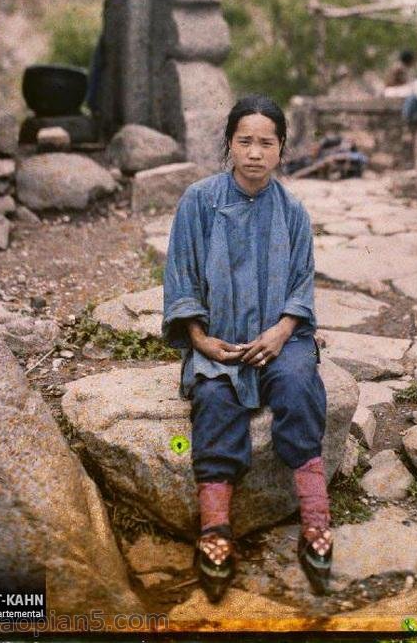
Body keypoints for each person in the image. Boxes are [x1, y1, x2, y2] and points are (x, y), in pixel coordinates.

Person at [162, 94, 332, 603]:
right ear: (229, 145)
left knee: (300, 386)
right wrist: (200, 340)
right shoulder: (198, 201)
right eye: (245, 141)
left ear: (281, 150)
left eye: (267, 142)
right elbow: (181, 278)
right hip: (219, 337)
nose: (255, 152)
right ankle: (215, 529)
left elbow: (302, 285)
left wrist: (281, 332)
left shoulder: (293, 212)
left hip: (284, 337)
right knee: (214, 399)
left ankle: (316, 522)